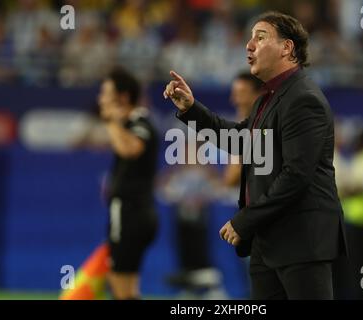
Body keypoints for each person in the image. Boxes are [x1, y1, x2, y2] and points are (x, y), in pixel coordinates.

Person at [164, 11, 347, 300]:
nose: (249, 45)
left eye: (260, 38)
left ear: (287, 48)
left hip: (301, 239)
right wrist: (190, 109)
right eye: (249, 38)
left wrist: (245, 219)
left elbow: (297, 175)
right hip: (268, 240)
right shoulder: (268, 97)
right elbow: (240, 141)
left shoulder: (304, 99)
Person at [99, 67, 159, 300]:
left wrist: (111, 122)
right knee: (128, 290)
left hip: (130, 214)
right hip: (135, 214)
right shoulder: (132, 125)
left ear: (123, 97)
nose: (101, 99)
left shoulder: (140, 123)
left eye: (105, 93)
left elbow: (130, 149)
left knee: (120, 287)